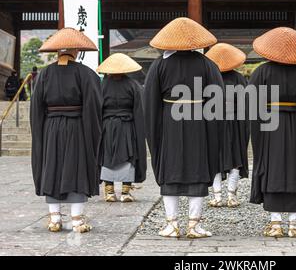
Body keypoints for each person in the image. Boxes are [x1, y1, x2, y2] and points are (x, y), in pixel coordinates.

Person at [144, 17, 224, 238]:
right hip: (199, 121)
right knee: (197, 170)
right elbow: (217, 98)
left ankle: (172, 224)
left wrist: (154, 129)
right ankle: (194, 225)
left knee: (171, 170)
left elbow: (150, 101)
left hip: (170, 121)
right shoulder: (207, 64)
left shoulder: (160, 64)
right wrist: (213, 129)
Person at [249, 27, 296, 238]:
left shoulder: (261, 72)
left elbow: (253, 105)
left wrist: (257, 130)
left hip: (269, 127)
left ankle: (276, 223)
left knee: (272, 168)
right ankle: (293, 225)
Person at [31, 27, 101, 233]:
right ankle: (77, 220)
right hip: (77, 127)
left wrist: (40, 131)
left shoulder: (44, 74)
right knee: (76, 168)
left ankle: (54, 220)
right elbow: (94, 106)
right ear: (76, 51)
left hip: (51, 128)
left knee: (51, 168)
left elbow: (36, 108)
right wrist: (94, 132)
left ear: (57, 52)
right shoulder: (86, 74)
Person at [97, 53, 147, 203]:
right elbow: (140, 109)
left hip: (107, 126)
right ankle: (125, 192)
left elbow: (97, 108)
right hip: (127, 125)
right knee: (128, 155)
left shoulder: (102, 85)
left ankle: (109, 191)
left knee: (107, 156)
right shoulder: (133, 85)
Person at [205, 43, 249, 208]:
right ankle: (232, 196)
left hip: (214, 122)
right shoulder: (239, 78)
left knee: (215, 159)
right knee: (235, 159)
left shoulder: (208, 77)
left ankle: (217, 197)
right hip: (235, 123)